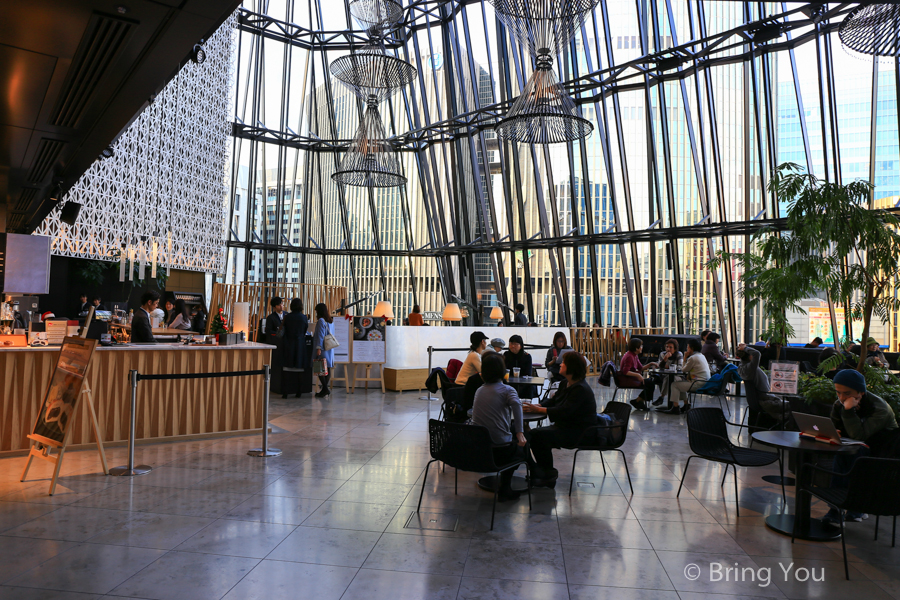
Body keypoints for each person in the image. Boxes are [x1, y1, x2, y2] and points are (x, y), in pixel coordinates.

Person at [821, 369, 898, 526]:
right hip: (856, 452)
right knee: (848, 452)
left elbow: (858, 436)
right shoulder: (839, 404)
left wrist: (848, 411)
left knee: (851, 453)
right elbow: (836, 428)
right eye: (838, 393)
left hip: (884, 457)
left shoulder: (880, 409)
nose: (842, 398)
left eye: (847, 393)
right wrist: (833, 432)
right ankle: (851, 508)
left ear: (861, 392)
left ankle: (839, 510)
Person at [523, 351, 597, 488]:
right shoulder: (566, 383)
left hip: (580, 432)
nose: (560, 364)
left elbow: (564, 411)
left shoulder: (581, 389)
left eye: (564, 362)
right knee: (536, 435)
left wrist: (538, 410)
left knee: (537, 436)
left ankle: (547, 474)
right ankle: (544, 473)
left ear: (572, 367)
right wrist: (538, 405)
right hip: (567, 427)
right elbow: (553, 401)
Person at [471, 352, 527, 501]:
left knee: (511, 434)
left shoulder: (479, 391)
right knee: (522, 449)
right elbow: (517, 404)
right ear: (503, 371)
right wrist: (520, 432)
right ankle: (506, 488)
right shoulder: (508, 390)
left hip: (478, 450)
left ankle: (536, 474)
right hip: (499, 452)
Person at [736, 343, 790, 423]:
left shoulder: (741, 367)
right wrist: (745, 348)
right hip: (766, 399)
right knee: (794, 405)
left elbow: (745, 357)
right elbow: (757, 354)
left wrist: (743, 350)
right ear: (750, 356)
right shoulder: (751, 368)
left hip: (760, 399)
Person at [664, 338, 709, 414]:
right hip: (704, 382)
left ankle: (675, 407)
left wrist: (685, 358)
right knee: (680, 383)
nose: (686, 348)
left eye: (687, 347)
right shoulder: (701, 356)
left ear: (691, 348)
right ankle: (686, 404)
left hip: (698, 383)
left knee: (674, 385)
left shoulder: (693, 358)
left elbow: (683, 370)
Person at [620, 338, 657, 412]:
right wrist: (638, 375)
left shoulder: (634, 355)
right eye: (641, 346)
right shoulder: (629, 356)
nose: (642, 347)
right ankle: (638, 401)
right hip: (627, 379)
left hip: (630, 378)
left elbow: (641, 368)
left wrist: (650, 364)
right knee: (650, 383)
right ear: (636, 348)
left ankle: (638, 401)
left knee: (651, 382)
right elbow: (625, 372)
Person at [283, 299, 310, 397]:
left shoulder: (287, 317)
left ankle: (285, 392)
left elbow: (284, 330)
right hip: (300, 344)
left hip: (289, 344)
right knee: (300, 369)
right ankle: (299, 392)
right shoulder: (304, 318)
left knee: (286, 368)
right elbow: (304, 330)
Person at [649, 339, 684, 407]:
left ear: (675, 348)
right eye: (667, 347)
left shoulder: (679, 354)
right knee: (666, 377)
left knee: (669, 378)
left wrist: (668, 367)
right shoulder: (663, 354)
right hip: (664, 375)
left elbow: (680, 367)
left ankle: (661, 397)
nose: (668, 349)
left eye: (670, 347)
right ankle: (664, 400)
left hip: (677, 376)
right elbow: (660, 367)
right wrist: (665, 359)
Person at [313, 303, 335, 398]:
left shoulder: (321, 321)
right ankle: (324, 389)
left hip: (322, 348)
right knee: (328, 368)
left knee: (320, 368)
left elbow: (320, 335)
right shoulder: (330, 321)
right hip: (329, 347)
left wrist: (318, 348)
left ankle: (325, 389)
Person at [504, 334, 534, 400]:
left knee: (529, 387)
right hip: (509, 383)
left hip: (523, 384)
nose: (513, 346)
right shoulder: (506, 355)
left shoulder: (527, 356)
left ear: (520, 346)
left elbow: (528, 373)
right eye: (511, 344)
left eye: (515, 344)